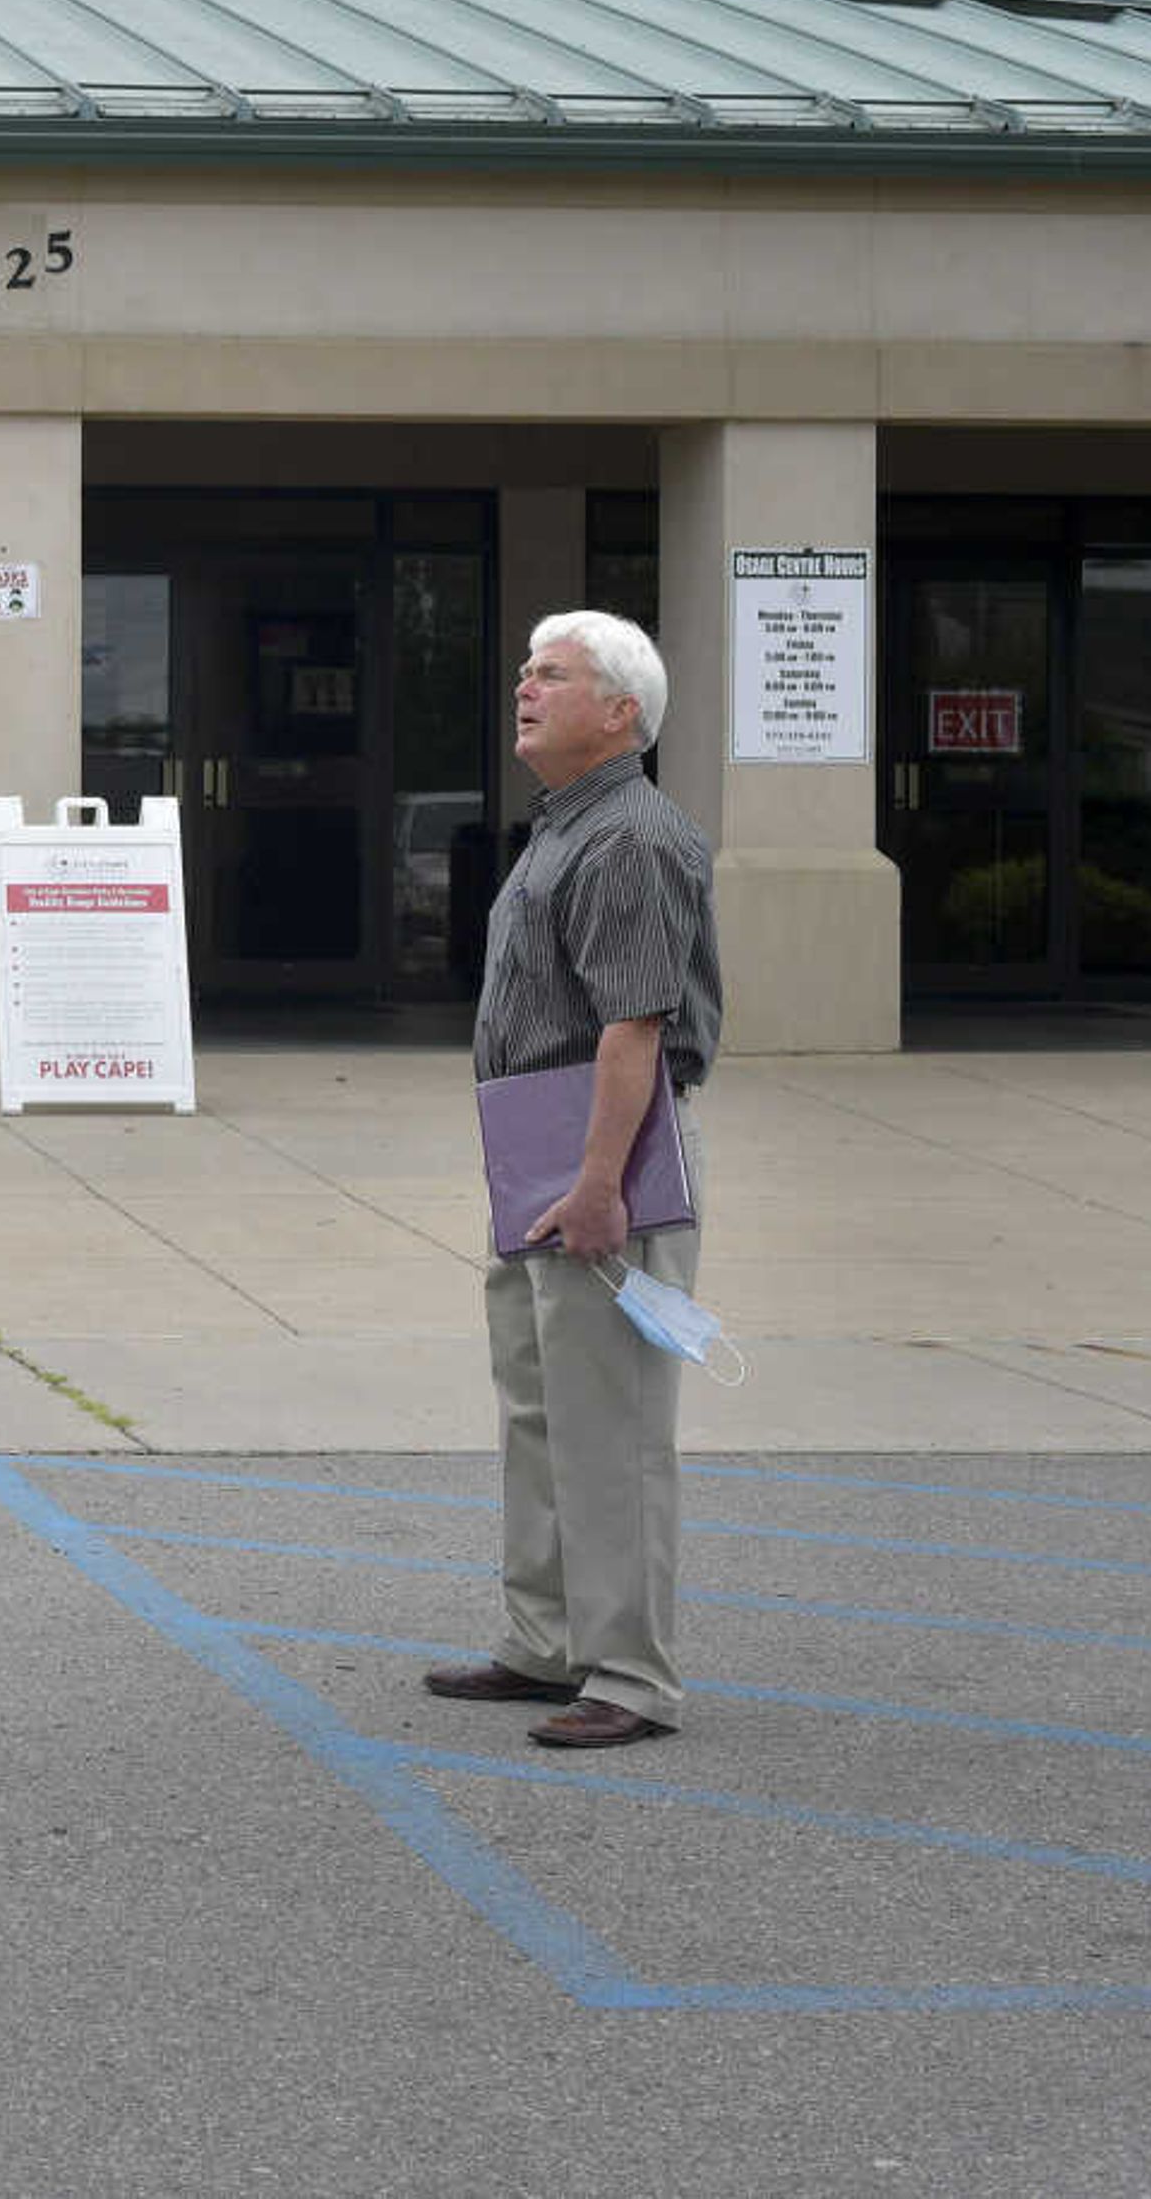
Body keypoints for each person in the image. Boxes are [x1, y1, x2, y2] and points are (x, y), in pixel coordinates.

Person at [424, 609, 721, 1752]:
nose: (525, 687)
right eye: (524, 669)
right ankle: (545, 1639)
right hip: (535, 1144)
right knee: (543, 1410)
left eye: (554, 674)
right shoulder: (564, 826)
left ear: (622, 712)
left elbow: (633, 1025)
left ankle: (632, 1676)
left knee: (615, 1424)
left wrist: (602, 1184)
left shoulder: (631, 838)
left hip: (607, 1152)